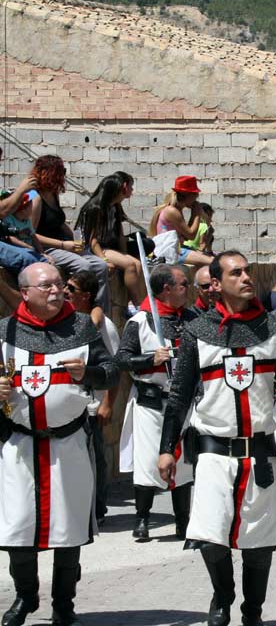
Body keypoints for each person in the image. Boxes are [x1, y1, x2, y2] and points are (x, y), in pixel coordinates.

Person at [157, 251, 276, 626]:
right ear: (216, 284)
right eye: (237, 273)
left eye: (248, 271)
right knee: (209, 534)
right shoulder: (197, 333)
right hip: (215, 451)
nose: (247, 277)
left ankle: (253, 611)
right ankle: (223, 595)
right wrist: (166, 449)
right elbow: (179, 397)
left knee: (259, 543)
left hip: (261, 452)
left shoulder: (273, 327)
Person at [0, 262, 119, 626]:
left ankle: (63, 604)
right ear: (25, 293)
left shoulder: (82, 326)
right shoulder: (5, 331)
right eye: (46, 286)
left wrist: (91, 373)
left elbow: (112, 370)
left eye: (59, 284)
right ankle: (25, 596)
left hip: (68, 445)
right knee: (18, 527)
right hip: (18, 445)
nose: (56, 291)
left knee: (67, 530)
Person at [116, 264, 195, 542]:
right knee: (149, 460)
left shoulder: (193, 319)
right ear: (166, 289)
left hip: (183, 402)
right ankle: (142, 519)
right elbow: (122, 359)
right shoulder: (139, 321)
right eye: (183, 283)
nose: (189, 288)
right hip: (150, 402)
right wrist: (151, 359)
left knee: (183, 463)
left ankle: (183, 522)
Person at [65, 270, 120, 528]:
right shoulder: (67, 324)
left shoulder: (104, 326)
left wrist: (108, 403)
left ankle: (98, 510)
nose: (65, 292)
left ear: (86, 296)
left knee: (96, 458)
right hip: (71, 405)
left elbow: (113, 367)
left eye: (70, 289)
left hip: (93, 405)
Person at [23, 156, 111, 310]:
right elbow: (31, 233)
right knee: (84, 266)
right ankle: (73, 309)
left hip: (63, 243)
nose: (63, 175)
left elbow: (60, 222)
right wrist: (64, 244)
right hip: (47, 247)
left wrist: (76, 239)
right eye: (61, 171)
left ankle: (100, 310)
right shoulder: (35, 197)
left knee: (101, 265)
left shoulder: (53, 194)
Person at [75, 171, 146, 303]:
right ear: (123, 187)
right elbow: (92, 240)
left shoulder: (115, 207)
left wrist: (124, 253)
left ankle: (142, 302)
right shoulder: (96, 208)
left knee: (137, 263)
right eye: (130, 186)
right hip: (94, 249)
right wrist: (105, 260)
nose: (132, 190)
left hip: (107, 246)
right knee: (130, 265)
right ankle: (135, 304)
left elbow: (119, 233)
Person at [148, 176, 213, 267]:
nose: (196, 199)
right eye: (195, 195)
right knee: (214, 262)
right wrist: (196, 214)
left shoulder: (177, 210)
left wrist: (194, 215)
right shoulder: (172, 211)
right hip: (171, 251)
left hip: (177, 249)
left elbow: (186, 236)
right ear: (188, 195)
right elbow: (191, 235)